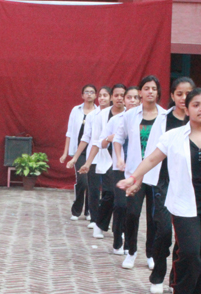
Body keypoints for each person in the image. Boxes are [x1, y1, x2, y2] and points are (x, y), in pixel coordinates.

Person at [118, 87, 201, 294]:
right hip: (183, 204)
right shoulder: (173, 137)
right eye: (196, 105)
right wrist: (133, 177)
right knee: (190, 252)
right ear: (187, 109)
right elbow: (152, 158)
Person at [113, 76, 166, 269]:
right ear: (141, 92)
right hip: (134, 174)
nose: (150, 91)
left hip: (157, 174)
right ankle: (131, 251)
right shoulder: (130, 115)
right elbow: (118, 138)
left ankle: (151, 253)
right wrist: (120, 158)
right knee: (132, 213)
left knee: (154, 217)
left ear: (158, 92)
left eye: (154, 88)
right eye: (146, 88)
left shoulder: (165, 116)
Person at [147, 77, 194, 294]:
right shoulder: (163, 120)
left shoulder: (199, 120)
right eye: (179, 94)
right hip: (164, 183)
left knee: (183, 236)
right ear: (172, 95)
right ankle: (158, 275)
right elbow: (152, 152)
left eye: (188, 94)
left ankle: (175, 280)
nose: (184, 98)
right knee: (164, 231)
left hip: (189, 186)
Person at [67, 85, 114, 236]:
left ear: (111, 98)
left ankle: (104, 218)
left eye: (105, 95)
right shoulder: (93, 115)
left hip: (111, 157)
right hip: (93, 156)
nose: (102, 98)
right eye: (100, 95)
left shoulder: (117, 114)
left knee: (108, 190)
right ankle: (94, 218)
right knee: (93, 188)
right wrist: (75, 157)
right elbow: (86, 137)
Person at [98, 86, 139, 254]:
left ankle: (129, 244)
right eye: (129, 97)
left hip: (138, 169)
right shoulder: (116, 120)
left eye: (136, 98)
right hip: (119, 168)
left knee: (132, 209)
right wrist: (110, 138)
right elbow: (101, 143)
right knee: (120, 204)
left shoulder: (144, 120)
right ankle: (117, 240)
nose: (132, 101)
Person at [62, 85, 97, 221]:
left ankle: (89, 211)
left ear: (96, 95)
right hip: (79, 151)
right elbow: (69, 132)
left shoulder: (99, 112)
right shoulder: (76, 110)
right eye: (86, 92)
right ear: (82, 95)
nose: (89, 94)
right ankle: (76, 209)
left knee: (91, 182)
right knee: (82, 181)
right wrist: (65, 153)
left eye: (92, 92)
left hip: (93, 152)